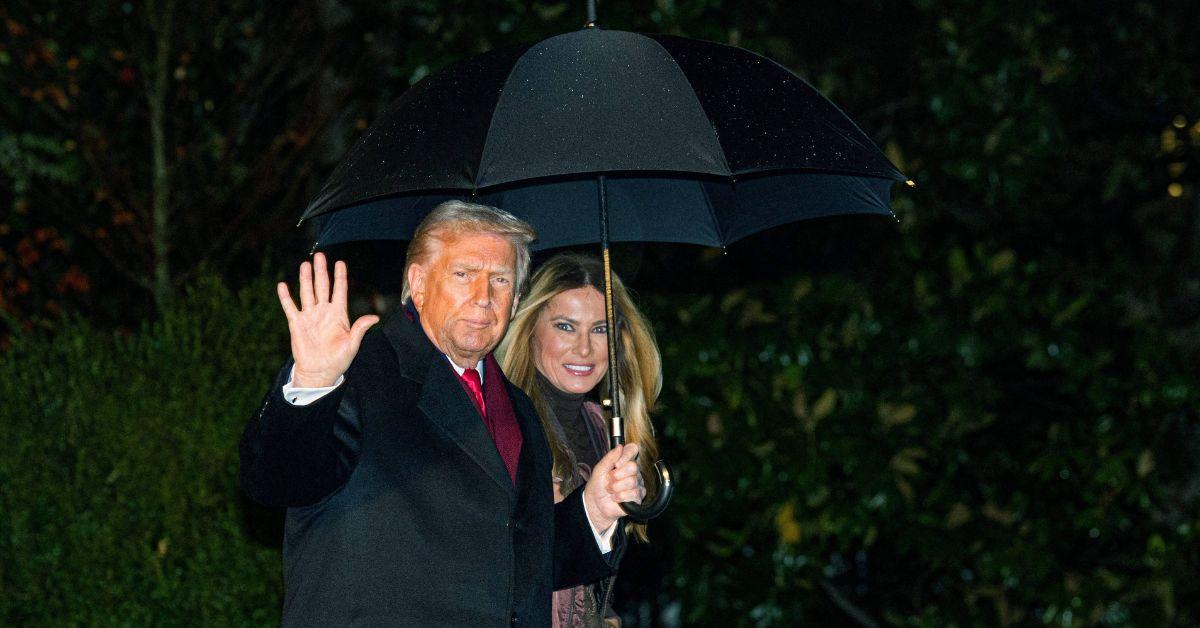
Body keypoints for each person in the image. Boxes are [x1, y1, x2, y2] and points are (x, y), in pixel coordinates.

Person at [239, 201, 646, 627]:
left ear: (517, 298)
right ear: (418, 282)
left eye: (500, 280)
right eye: (463, 274)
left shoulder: (518, 406)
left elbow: (517, 563)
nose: (483, 298)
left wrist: (593, 512)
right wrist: (312, 381)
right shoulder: (362, 370)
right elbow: (275, 480)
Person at [497, 253, 663, 628]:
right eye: (565, 327)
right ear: (529, 327)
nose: (584, 348)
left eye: (601, 329)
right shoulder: (503, 422)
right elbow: (509, 566)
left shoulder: (602, 428)